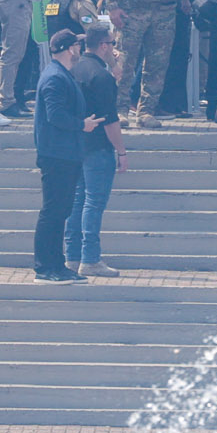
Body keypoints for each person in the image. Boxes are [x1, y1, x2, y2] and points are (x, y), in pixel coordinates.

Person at [31, 26, 93, 281]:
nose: (80, 49)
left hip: (65, 153)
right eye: (77, 45)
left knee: (60, 211)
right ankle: (45, 267)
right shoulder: (55, 77)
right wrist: (82, 125)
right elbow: (54, 114)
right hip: (57, 154)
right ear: (69, 49)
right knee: (53, 211)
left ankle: (56, 264)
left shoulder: (61, 74)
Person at [66, 23, 127, 276]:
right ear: (104, 46)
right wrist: (121, 152)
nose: (114, 49)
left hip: (76, 145)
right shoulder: (102, 77)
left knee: (78, 201)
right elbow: (110, 120)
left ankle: (72, 256)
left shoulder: (74, 70)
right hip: (98, 148)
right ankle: (90, 259)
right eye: (112, 44)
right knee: (93, 203)